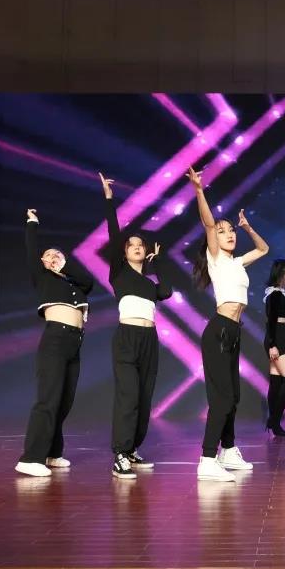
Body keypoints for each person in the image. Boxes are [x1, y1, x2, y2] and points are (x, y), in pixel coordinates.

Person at [188, 167, 269, 482]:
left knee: (233, 395)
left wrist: (248, 227)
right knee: (221, 398)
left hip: (233, 331)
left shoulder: (236, 261)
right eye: (223, 231)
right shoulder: (216, 258)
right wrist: (199, 190)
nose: (229, 234)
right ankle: (207, 459)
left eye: (231, 230)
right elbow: (208, 222)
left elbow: (263, 249)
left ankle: (229, 450)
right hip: (220, 329)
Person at [100, 172, 172, 480]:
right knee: (128, 396)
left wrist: (158, 263)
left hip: (149, 339)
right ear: (125, 252)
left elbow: (166, 292)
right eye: (132, 245)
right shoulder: (119, 273)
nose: (137, 247)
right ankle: (119, 454)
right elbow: (114, 235)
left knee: (144, 399)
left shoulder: (149, 283)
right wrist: (109, 200)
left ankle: (131, 450)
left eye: (140, 245)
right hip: (127, 338)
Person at [15, 208, 94, 478]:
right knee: (48, 399)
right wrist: (32, 223)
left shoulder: (75, 283)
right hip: (55, 339)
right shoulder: (42, 277)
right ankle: (30, 458)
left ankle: (52, 452)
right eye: (48, 255)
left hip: (74, 342)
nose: (52, 258)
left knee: (64, 401)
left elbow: (88, 280)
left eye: (57, 255)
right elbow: (31, 250)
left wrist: (64, 265)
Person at [263, 259, 285, 437]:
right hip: (277, 341)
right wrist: (272, 345)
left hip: (278, 339)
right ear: (281, 274)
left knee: (276, 383)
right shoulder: (275, 295)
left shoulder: (278, 293)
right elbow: (271, 321)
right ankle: (273, 419)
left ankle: (275, 425)